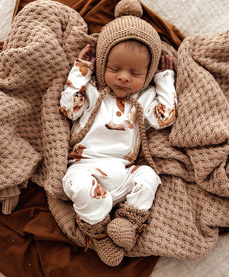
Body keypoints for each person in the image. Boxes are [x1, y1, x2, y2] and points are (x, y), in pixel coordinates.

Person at [59, 0, 178, 267]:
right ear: (102, 66)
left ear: (147, 75)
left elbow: (164, 119)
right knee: (77, 185)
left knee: (148, 176)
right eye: (115, 69)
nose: (124, 77)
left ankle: (128, 221)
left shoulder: (145, 98)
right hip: (85, 168)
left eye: (135, 73)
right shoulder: (91, 91)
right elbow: (68, 109)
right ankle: (98, 232)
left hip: (124, 174)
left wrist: (164, 80)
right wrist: (81, 72)